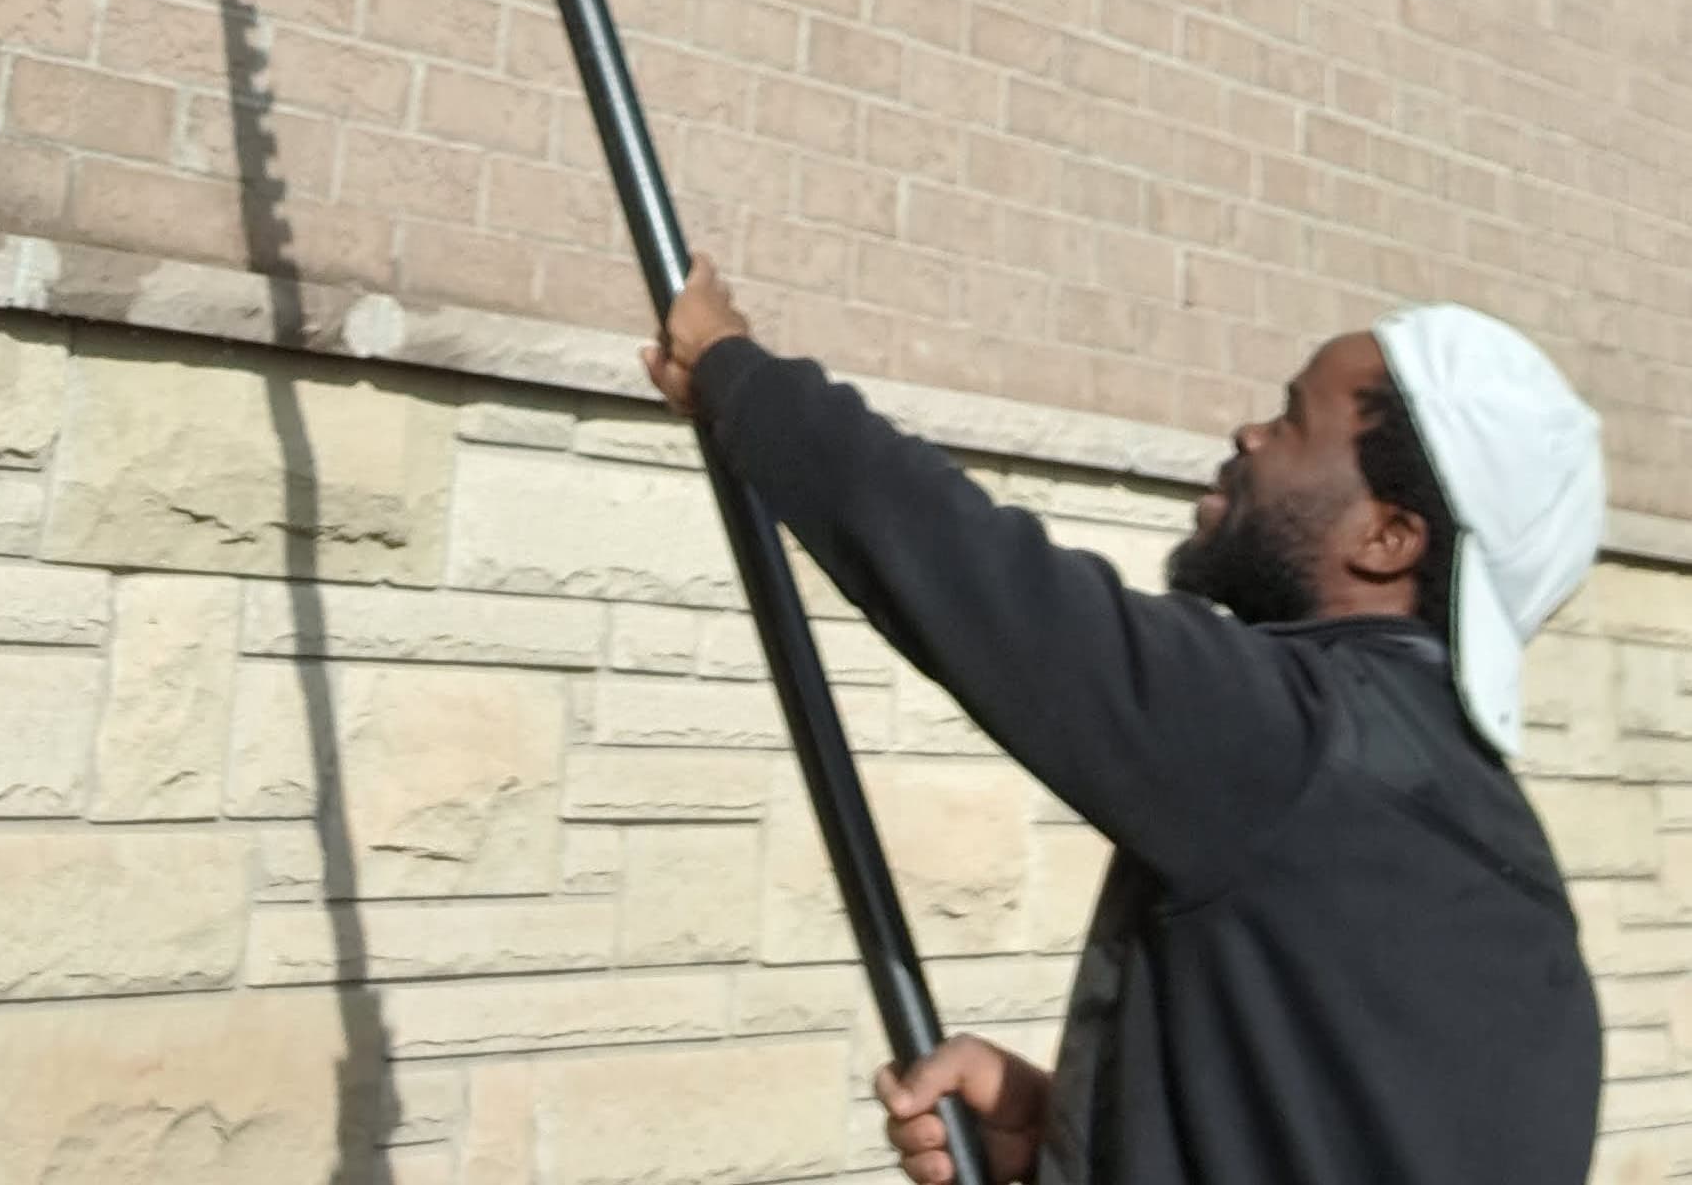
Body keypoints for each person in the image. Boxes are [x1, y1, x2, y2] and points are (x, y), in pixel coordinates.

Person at [644, 261, 1606, 1185]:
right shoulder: (1488, 850)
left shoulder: (1302, 743)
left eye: (1290, 419)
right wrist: (1072, 1130)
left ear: (1387, 538)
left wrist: (738, 376)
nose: (1248, 433)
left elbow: (989, 583)